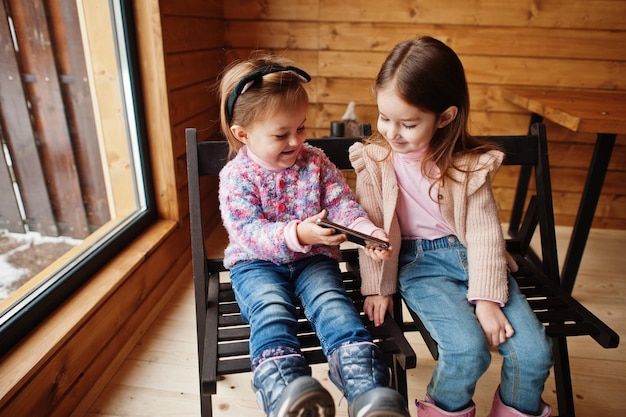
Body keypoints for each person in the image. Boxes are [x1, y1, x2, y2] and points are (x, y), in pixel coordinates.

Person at [349, 37, 553, 417]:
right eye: (384, 117)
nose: (392, 133)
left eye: (408, 124)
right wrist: (378, 287)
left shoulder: (468, 166)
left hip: (475, 258)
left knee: (534, 353)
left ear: (444, 117)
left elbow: (485, 234)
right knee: (466, 351)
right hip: (418, 265)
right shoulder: (373, 163)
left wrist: (487, 299)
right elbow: (373, 230)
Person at [217, 54, 409, 417]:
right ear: (243, 134)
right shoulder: (237, 176)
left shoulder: (315, 161)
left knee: (333, 305)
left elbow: (342, 205)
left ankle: (366, 389)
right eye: (281, 134)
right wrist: (299, 232)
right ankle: (285, 390)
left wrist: (366, 233)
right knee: (271, 310)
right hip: (256, 265)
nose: (295, 141)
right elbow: (247, 232)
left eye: (301, 128)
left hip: (313, 261)